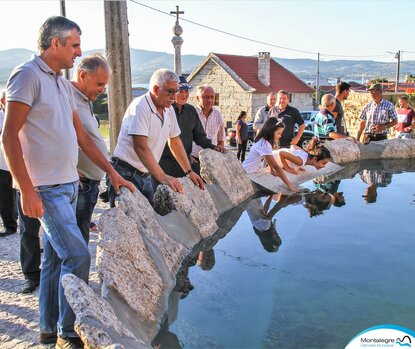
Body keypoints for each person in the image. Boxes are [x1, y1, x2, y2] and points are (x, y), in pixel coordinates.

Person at [1, 16, 134, 348]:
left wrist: (114, 174)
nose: (78, 51)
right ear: (55, 43)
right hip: (45, 189)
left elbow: (84, 140)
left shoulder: (60, 84)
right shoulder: (27, 74)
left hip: (68, 186)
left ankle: (47, 327)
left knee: (56, 260)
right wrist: (26, 188)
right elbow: (9, 136)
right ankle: (68, 331)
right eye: (74, 44)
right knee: (79, 255)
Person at [111, 69, 205, 207]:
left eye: (176, 91)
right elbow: (140, 146)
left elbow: (174, 141)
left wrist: (189, 171)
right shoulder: (140, 106)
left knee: (151, 220)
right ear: (155, 89)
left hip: (146, 173)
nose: (174, 96)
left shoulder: (169, 110)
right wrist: (162, 176)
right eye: (170, 91)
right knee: (128, 221)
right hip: (125, 172)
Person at [71, 54, 110, 244]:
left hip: (90, 184)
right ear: (83, 75)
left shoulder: (85, 99)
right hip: (80, 184)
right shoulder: (67, 97)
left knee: (82, 236)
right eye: (99, 84)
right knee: (76, 243)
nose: (102, 90)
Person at [158, 75, 220, 179]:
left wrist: (213, 147)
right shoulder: (166, 110)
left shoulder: (191, 110)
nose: (184, 95)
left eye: (186, 91)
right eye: (180, 91)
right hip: (165, 162)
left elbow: (199, 136)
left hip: (185, 162)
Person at [242, 118, 296, 192]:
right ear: (271, 131)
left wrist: (272, 171)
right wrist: (289, 185)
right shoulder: (265, 145)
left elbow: (269, 158)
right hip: (247, 171)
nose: (280, 136)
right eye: (279, 133)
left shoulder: (261, 139)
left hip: (246, 168)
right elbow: (276, 167)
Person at [191, 85, 226, 174]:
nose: (209, 100)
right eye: (206, 97)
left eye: (212, 97)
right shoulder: (191, 113)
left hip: (212, 161)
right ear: (197, 98)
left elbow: (221, 140)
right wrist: (187, 156)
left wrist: (220, 147)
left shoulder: (218, 115)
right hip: (193, 161)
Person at [0, 90, 18, 238]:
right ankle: (10, 225)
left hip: (18, 160)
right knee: (5, 195)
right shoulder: (1, 116)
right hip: (3, 163)